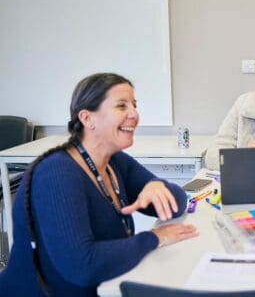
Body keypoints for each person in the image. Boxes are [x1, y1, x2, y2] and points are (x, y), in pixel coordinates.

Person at [0, 73, 198, 296]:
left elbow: (177, 204)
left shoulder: (115, 161)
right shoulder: (56, 173)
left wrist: (156, 185)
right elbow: (82, 265)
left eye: (134, 105)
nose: (134, 113)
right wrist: (154, 238)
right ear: (87, 118)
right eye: (121, 106)